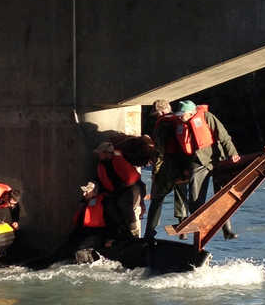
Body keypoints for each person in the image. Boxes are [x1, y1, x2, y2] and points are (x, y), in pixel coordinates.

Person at [175, 100, 241, 240]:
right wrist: (184, 168)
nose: (180, 117)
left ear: (191, 112)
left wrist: (232, 153)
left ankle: (227, 230)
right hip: (197, 162)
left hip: (216, 159)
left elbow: (223, 135)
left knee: (223, 194)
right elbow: (181, 150)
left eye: (182, 114)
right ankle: (198, 233)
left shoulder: (206, 117)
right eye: (178, 114)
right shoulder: (180, 125)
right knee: (195, 197)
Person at [144, 99, 188, 239]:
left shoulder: (162, 123)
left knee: (157, 198)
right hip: (183, 164)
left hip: (168, 164)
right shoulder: (179, 119)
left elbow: (160, 150)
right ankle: (183, 229)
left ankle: (150, 233)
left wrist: (155, 171)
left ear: (161, 111)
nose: (156, 116)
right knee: (181, 195)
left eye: (156, 114)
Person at [95, 141, 143, 240]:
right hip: (117, 191)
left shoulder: (118, 160)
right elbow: (103, 182)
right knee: (108, 205)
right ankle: (122, 231)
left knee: (123, 203)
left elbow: (132, 178)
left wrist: (120, 190)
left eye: (100, 153)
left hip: (132, 187)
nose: (99, 155)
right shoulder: (101, 165)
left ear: (107, 153)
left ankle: (133, 230)